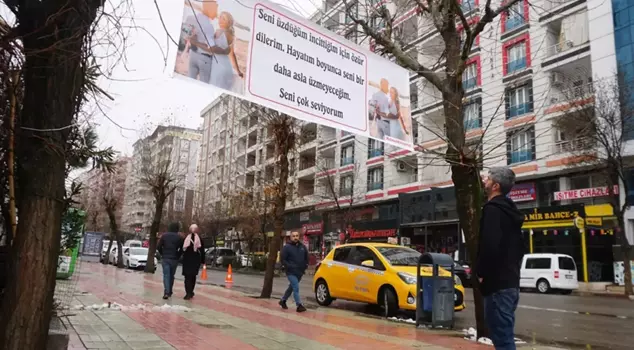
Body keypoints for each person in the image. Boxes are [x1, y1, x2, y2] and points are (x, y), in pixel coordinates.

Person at [476, 167, 526, 350]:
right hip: (510, 282)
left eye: (487, 179)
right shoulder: (510, 211)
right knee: (504, 335)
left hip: (497, 286)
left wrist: (481, 273)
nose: (484, 181)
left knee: (502, 339)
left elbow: (489, 245)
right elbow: (521, 248)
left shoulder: (493, 210)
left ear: (495, 186)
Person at [184, 0, 230, 82]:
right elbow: (211, 48)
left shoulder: (190, 18)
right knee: (203, 85)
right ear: (209, 8)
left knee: (189, 81)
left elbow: (186, 38)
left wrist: (193, 42)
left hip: (193, 56)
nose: (216, 12)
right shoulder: (208, 26)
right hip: (204, 60)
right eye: (215, 9)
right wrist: (224, 51)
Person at [209, 11, 244, 91]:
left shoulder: (219, 31)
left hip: (217, 66)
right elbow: (232, 55)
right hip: (226, 66)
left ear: (229, 22)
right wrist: (238, 71)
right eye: (220, 17)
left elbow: (211, 47)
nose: (220, 20)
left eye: (223, 19)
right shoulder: (231, 35)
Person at [279, 231, 308, 313]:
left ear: (299, 237)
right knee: (296, 287)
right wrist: (289, 266)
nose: (295, 237)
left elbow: (306, 257)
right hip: (291, 272)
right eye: (293, 236)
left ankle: (283, 300)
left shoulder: (302, 247)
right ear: (290, 237)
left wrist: (305, 266)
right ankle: (299, 305)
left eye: (297, 236)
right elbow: (283, 259)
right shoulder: (287, 247)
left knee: (291, 287)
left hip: (300, 272)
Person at [157, 222, 183, 300]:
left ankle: (166, 292)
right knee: (171, 275)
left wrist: (162, 253)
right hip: (174, 259)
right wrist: (178, 255)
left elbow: (158, 246)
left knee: (166, 275)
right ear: (177, 228)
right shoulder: (179, 237)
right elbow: (182, 248)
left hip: (165, 258)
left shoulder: (164, 236)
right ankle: (170, 291)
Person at [182, 224, 206, 300]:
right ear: (197, 230)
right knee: (193, 276)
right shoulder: (200, 239)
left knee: (187, 277)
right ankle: (191, 291)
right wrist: (203, 261)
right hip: (196, 260)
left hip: (187, 260)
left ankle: (188, 293)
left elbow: (183, 249)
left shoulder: (186, 238)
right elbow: (202, 251)